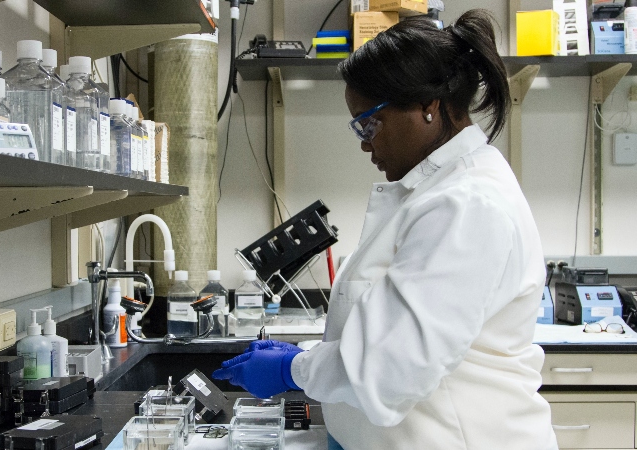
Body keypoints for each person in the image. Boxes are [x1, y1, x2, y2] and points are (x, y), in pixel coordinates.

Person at [213, 9, 558, 450]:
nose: (364, 142)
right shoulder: (437, 192)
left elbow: (389, 368)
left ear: (428, 106)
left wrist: (293, 368)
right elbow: (390, 326)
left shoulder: (467, 204)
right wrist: (310, 357)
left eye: (369, 122)